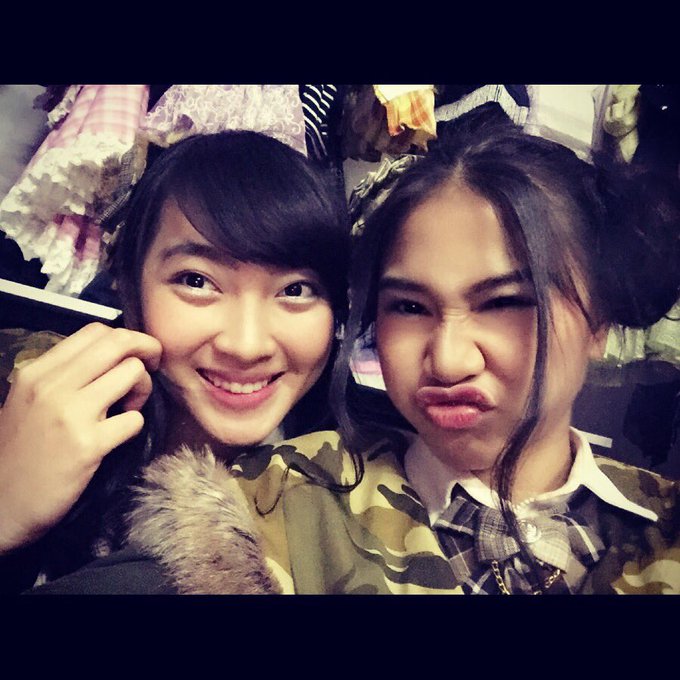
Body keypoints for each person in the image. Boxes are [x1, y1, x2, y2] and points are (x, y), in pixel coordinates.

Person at [27, 105, 680, 595]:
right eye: (409, 306)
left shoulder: (662, 521)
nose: (450, 360)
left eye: (506, 302)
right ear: (126, 284)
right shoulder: (268, 511)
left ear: (600, 320)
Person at [1, 129, 352, 593]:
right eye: (196, 281)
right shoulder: (27, 406)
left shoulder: (363, 501)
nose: (246, 346)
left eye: (295, 290)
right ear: (130, 286)